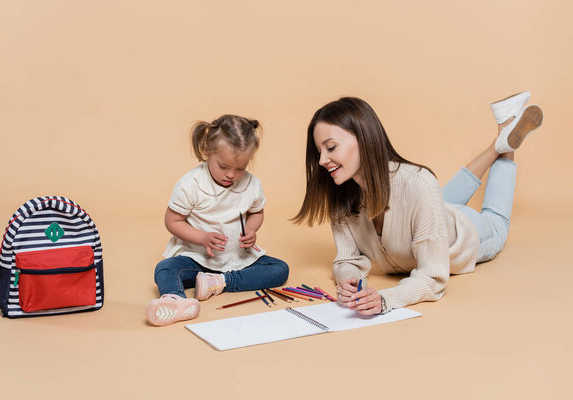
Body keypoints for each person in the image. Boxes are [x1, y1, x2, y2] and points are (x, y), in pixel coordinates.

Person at [293, 94, 542, 315]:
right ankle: (498, 143)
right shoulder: (341, 196)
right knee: (438, 198)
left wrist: (384, 300)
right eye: (319, 152)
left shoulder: (417, 183)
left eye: (331, 147)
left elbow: (433, 276)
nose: (322, 160)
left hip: (464, 232)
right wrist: (349, 280)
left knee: (497, 220)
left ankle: (506, 144)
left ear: (363, 138)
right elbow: (346, 260)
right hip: (434, 216)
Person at [146, 114, 289, 326]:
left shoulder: (252, 185)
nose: (231, 175)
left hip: (238, 260)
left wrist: (251, 229)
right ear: (207, 152)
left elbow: (257, 212)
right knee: (165, 268)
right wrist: (201, 237)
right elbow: (173, 221)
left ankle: (220, 282)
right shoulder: (192, 184)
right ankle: (176, 300)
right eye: (223, 166)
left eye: (240, 168)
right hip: (196, 259)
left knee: (280, 269)